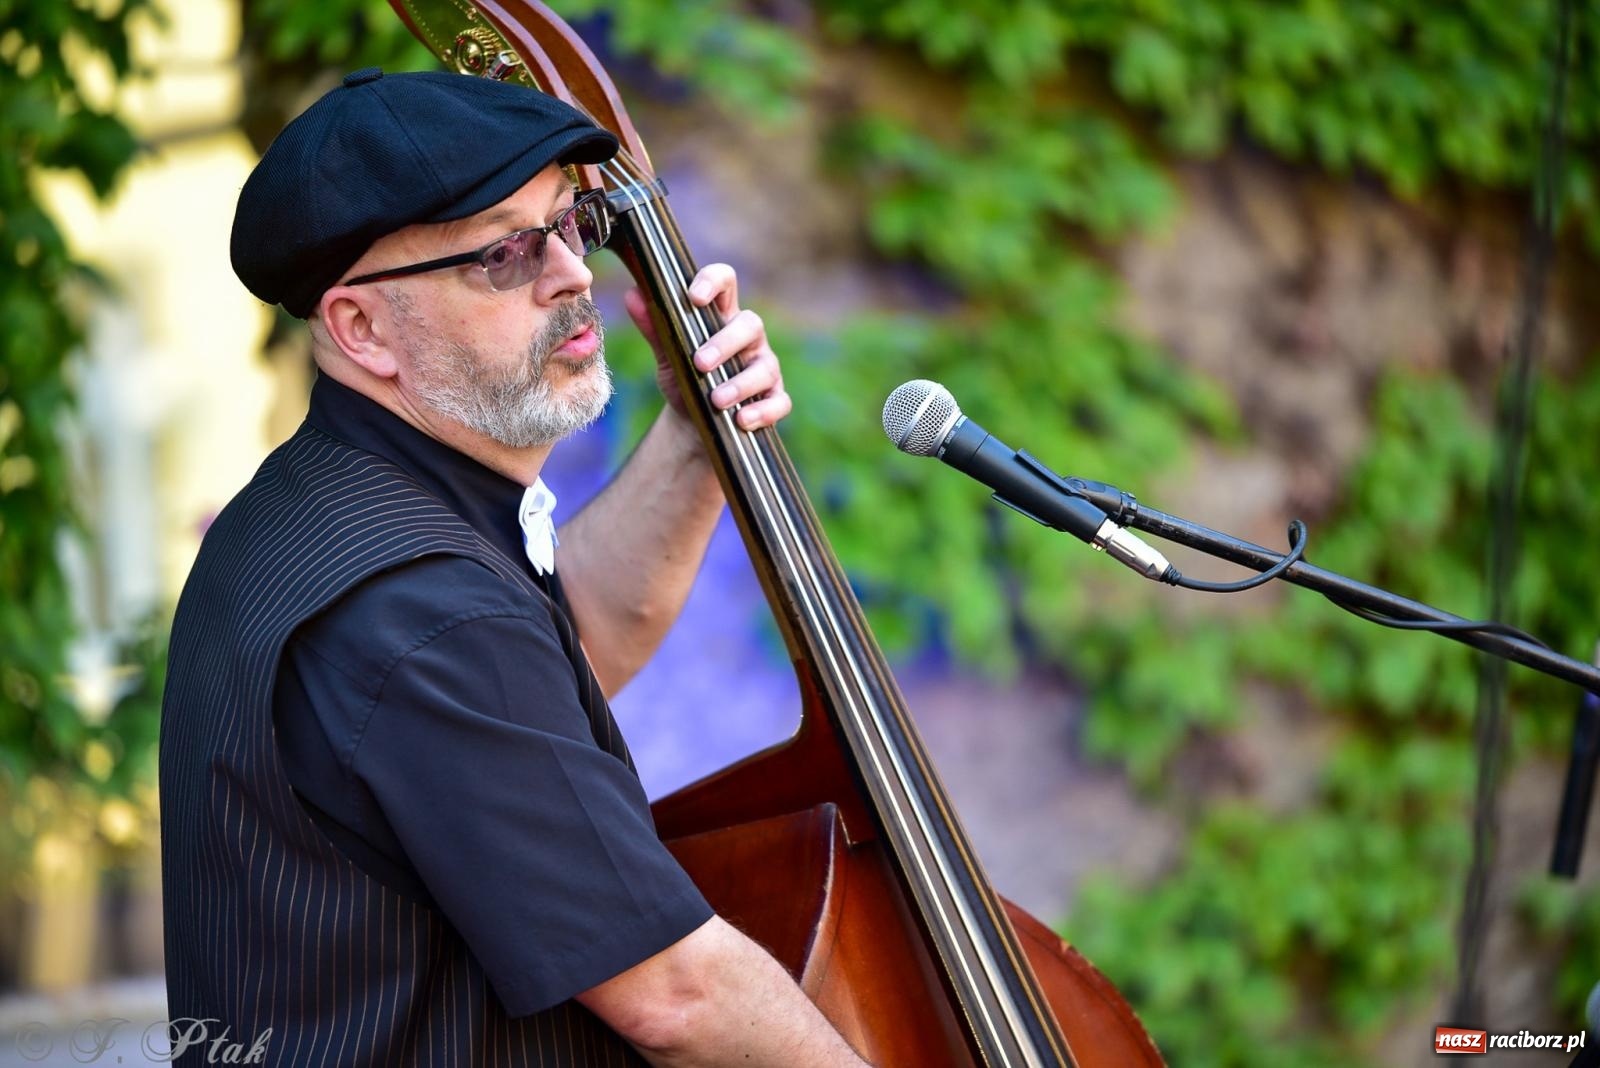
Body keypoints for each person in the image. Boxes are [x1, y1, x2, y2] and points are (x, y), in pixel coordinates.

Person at [159, 67, 869, 1067]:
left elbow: (576, 647)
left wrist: (694, 434)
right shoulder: (417, 606)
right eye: (503, 253)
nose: (573, 272)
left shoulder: (336, 505)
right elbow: (676, 994)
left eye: (568, 222)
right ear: (362, 330)